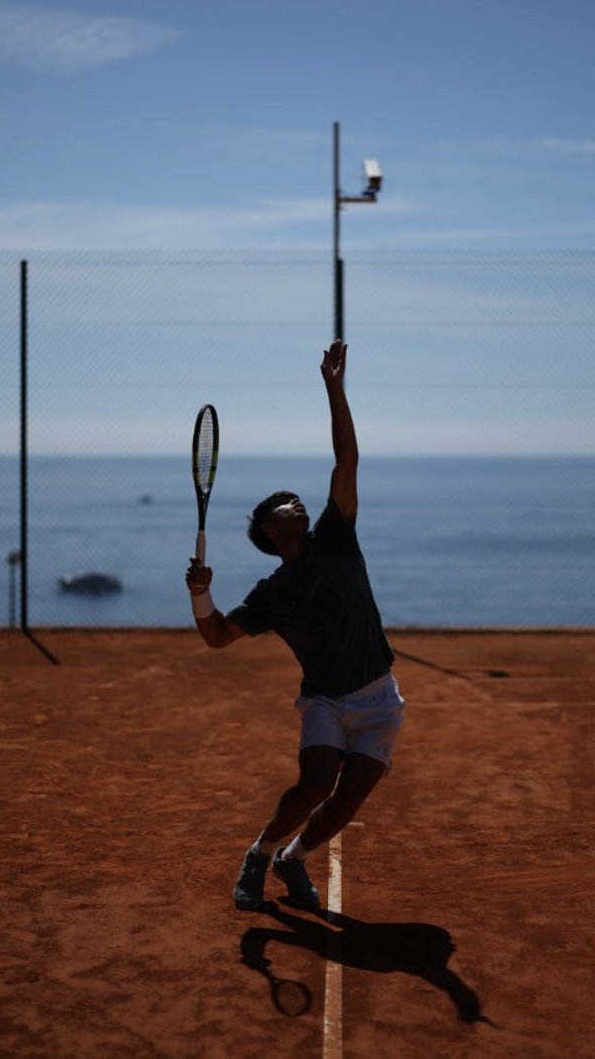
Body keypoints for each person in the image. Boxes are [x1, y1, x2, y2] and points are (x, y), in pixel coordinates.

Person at [185, 340, 405, 911]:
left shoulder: (337, 535)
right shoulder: (271, 595)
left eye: (293, 498)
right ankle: (259, 854)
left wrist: (334, 389)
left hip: (379, 693)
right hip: (326, 701)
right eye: (282, 503)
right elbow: (214, 638)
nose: (294, 501)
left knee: (346, 802)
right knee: (314, 783)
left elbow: (346, 462)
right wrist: (201, 593)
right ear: (267, 530)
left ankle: (293, 860)